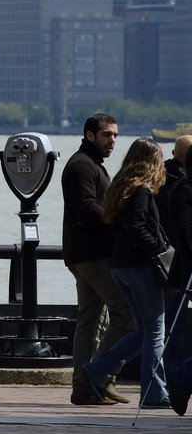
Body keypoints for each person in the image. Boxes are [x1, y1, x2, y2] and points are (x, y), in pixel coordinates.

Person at [78, 138, 172, 409]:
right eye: (159, 158)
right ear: (150, 161)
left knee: (143, 331)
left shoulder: (121, 189)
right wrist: (159, 250)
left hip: (121, 268)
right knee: (155, 331)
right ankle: (153, 394)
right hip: (141, 269)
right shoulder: (141, 190)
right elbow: (137, 229)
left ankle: (97, 368)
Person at [61, 113, 133, 406]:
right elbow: (87, 209)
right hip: (94, 256)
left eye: (115, 135)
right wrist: (120, 222)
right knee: (127, 314)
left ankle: (83, 388)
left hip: (84, 255)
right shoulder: (82, 166)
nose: (112, 140)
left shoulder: (91, 165)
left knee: (90, 321)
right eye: (106, 135)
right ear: (89, 135)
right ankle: (101, 377)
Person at [162, 136, 192, 383]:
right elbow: (183, 230)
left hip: (176, 262)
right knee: (173, 324)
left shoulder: (165, 181)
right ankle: (176, 377)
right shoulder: (181, 188)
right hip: (181, 265)